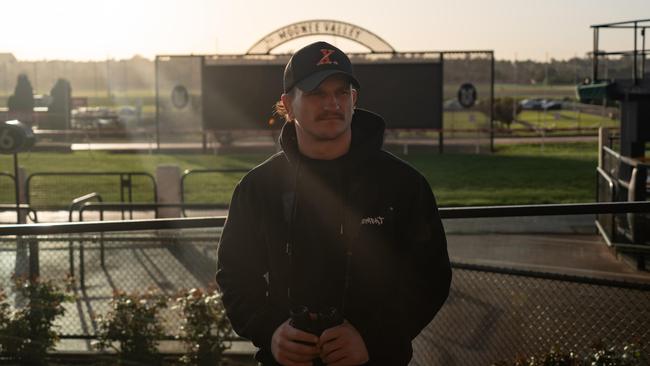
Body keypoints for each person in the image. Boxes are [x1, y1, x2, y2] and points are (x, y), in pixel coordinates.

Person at [216, 41, 451, 366]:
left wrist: (373, 338)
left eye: (342, 92)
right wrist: (270, 331)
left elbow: (430, 278)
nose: (332, 103)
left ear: (354, 99)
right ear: (288, 104)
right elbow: (235, 275)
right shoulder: (257, 189)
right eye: (316, 93)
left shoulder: (404, 185)